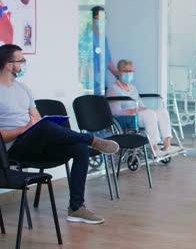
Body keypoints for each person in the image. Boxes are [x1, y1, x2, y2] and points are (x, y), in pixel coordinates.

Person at [0, 44, 119, 224]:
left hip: (34, 141)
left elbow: (37, 119)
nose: (24, 63)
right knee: (46, 127)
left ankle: (76, 208)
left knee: (79, 148)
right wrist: (24, 129)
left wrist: (36, 126)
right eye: (21, 60)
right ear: (9, 65)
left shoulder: (23, 89)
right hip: (12, 148)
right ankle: (90, 139)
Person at [106, 59, 183, 157]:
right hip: (126, 118)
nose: (129, 74)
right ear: (119, 72)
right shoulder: (113, 89)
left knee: (162, 111)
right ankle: (155, 150)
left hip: (138, 115)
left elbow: (141, 105)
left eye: (131, 71)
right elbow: (115, 112)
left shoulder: (133, 88)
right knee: (149, 114)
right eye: (127, 71)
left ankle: (167, 145)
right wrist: (136, 110)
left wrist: (144, 109)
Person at [91, 6, 120, 95]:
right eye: (99, 19)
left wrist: (118, 75)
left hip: (102, 82)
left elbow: (108, 60)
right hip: (90, 82)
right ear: (92, 19)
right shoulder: (87, 38)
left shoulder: (103, 38)